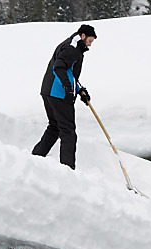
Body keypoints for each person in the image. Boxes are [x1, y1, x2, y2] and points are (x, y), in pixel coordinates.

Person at [32, 24, 97, 170]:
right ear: (83, 36)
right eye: (90, 41)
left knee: (55, 127)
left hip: (48, 91)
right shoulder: (72, 49)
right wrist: (68, 88)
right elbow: (59, 67)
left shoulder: (71, 45)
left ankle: (35, 158)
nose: (90, 44)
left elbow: (69, 73)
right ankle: (68, 170)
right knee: (68, 132)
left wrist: (80, 90)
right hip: (59, 94)